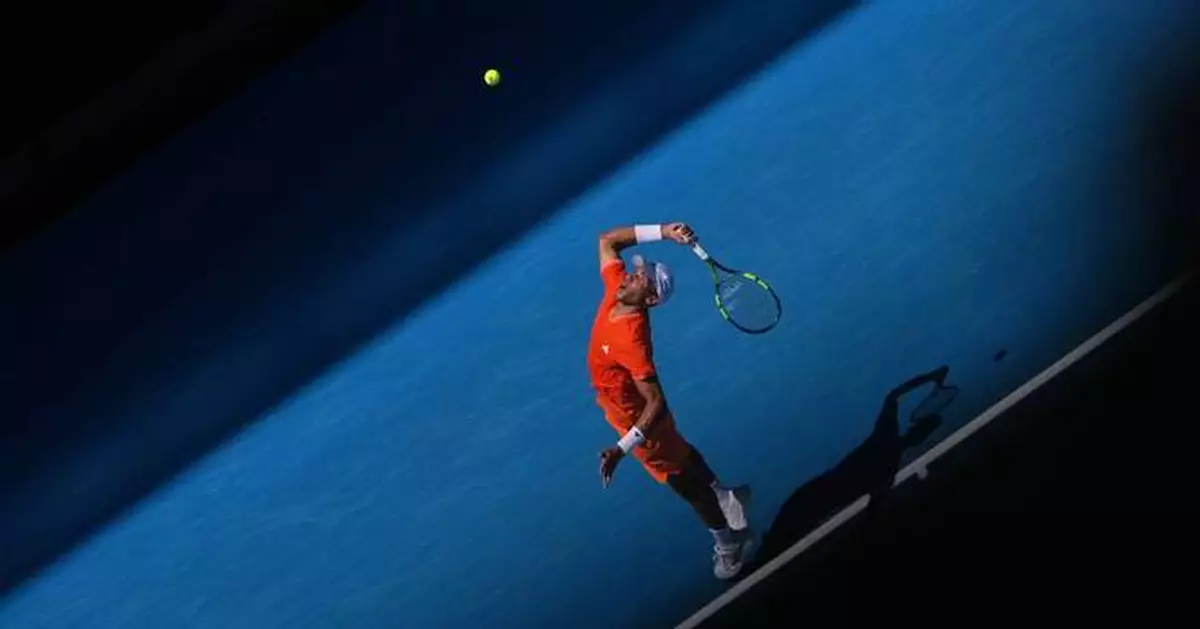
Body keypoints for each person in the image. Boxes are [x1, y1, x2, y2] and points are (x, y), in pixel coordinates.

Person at [589, 222, 755, 580]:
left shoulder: (633, 342)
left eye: (640, 278)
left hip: (638, 421)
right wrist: (664, 231)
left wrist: (622, 446)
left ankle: (729, 546)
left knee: (682, 483)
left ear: (649, 300)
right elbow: (607, 240)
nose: (630, 277)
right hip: (624, 412)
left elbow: (656, 403)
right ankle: (726, 495)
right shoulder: (615, 289)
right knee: (681, 453)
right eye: (635, 272)